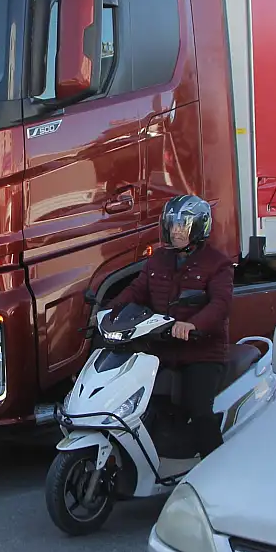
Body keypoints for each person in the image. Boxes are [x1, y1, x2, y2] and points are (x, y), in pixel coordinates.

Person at [105, 194, 232, 458]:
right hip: (162, 348)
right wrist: (109, 311)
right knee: (138, 401)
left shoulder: (217, 263)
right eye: (172, 225)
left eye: (182, 225)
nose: (175, 231)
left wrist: (191, 325)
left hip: (201, 352)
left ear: (199, 227)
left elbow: (220, 305)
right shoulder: (158, 259)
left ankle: (216, 466)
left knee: (198, 410)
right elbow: (137, 291)